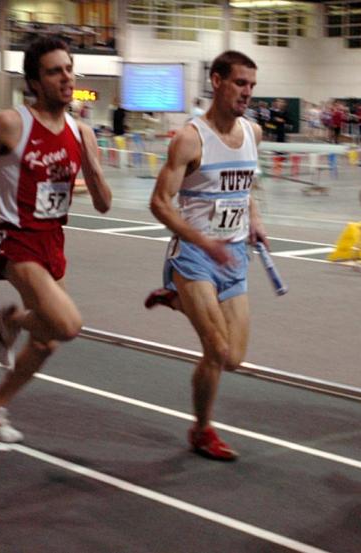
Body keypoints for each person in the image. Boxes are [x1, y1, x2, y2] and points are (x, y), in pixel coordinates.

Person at [0, 36, 112, 442]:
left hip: (53, 241)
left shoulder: (82, 132)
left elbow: (105, 204)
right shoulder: (11, 124)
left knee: (46, 344)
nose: (66, 78)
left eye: (69, 69)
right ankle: (12, 319)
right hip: (16, 239)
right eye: (55, 71)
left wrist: (91, 163)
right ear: (35, 82)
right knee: (67, 324)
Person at [144, 50, 267, 462]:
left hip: (233, 256)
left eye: (251, 85)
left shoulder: (254, 133)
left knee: (233, 358)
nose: (247, 92)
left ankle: (176, 300)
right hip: (195, 257)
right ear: (216, 81)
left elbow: (248, 185)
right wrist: (203, 240)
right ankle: (202, 430)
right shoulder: (190, 139)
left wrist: (254, 217)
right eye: (239, 83)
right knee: (215, 350)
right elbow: (160, 202)